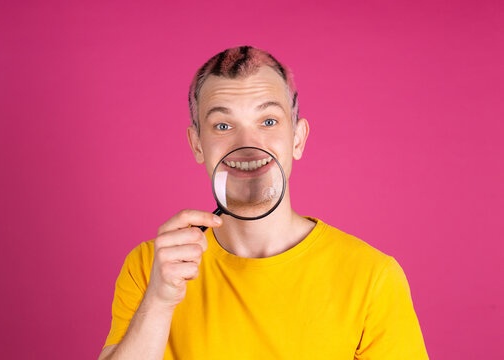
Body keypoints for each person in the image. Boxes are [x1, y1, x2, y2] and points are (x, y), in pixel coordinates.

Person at [97, 45, 429, 360]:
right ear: (197, 145)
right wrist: (159, 299)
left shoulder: (373, 277)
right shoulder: (152, 267)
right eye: (223, 125)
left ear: (297, 139)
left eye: (268, 121)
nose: (248, 144)